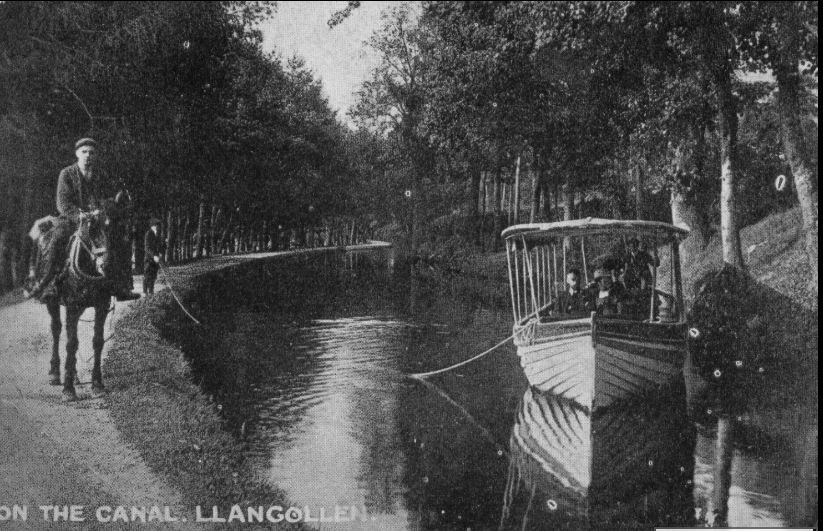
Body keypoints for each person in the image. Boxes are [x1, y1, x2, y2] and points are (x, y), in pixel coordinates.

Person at [27, 137, 140, 301]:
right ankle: (48, 284)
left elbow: (108, 198)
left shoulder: (102, 175)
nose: (88, 155)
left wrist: (103, 209)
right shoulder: (66, 174)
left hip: (97, 220)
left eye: (92, 152)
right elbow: (62, 203)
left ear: (96, 155)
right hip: (71, 220)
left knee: (119, 240)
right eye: (84, 152)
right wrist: (78, 214)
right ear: (77, 154)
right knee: (57, 239)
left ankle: (122, 287)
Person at [143, 217, 163, 294]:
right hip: (149, 259)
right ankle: (145, 292)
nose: (158, 227)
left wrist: (160, 253)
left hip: (156, 259)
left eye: (158, 225)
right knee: (147, 275)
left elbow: (159, 245)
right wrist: (154, 256)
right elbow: (147, 248)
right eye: (157, 225)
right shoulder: (148, 234)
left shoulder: (157, 234)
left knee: (154, 275)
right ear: (153, 225)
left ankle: (151, 291)